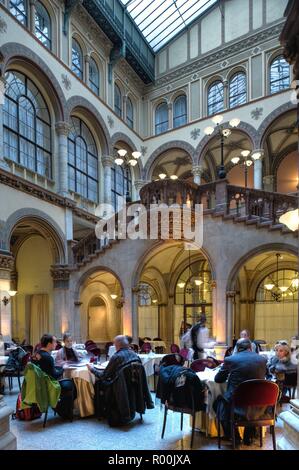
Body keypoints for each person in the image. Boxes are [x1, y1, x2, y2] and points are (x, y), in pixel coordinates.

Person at [214, 338, 267, 445]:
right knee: (251, 404)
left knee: (217, 404)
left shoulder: (230, 359)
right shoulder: (262, 359)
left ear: (237, 348)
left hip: (236, 402)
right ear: (251, 347)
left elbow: (218, 379)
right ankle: (249, 437)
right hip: (259, 402)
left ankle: (235, 437)